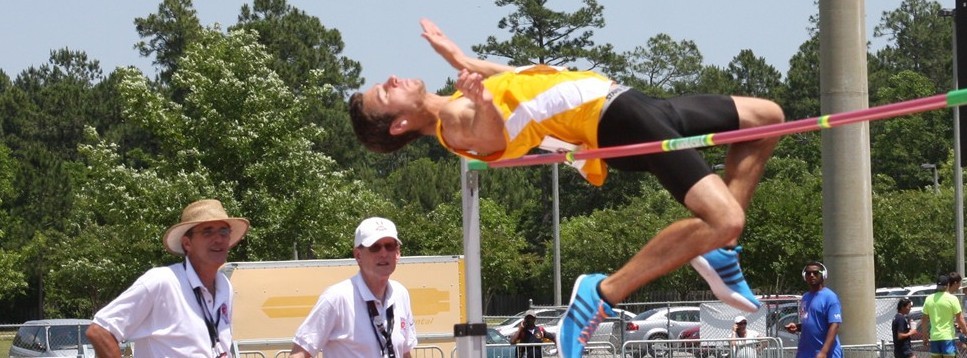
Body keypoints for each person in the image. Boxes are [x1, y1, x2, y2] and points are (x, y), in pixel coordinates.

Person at [347, 18, 784, 357]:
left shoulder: (460, 100)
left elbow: (526, 78)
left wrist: (460, 59)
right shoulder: (459, 126)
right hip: (615, 121)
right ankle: (602, 293)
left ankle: (718, 250)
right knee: (725, 218)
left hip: (626, 101)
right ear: (401, 123)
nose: (390, 80)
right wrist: (481, 102)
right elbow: (492, 138)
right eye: (384, 95)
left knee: (767, 118)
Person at [86, 199, 250, 357]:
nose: (219, 239)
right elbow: (100, 331)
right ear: (187, 243)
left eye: (224, 231)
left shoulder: (225, 287)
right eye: (208, 231)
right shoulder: (162, 282)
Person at [289, 217, 418, 358]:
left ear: (397, 253)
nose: (383, 253)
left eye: (390, 246)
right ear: (358, 255)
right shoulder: (336, 298)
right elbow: (299, 353)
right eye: (375, 247)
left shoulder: (400, 294)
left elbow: (405, 353)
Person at [784, 261, 842, 358]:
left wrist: (823, 352)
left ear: (823, 275)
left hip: (826, 353)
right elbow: (815, 323)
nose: (811, 275)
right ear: (804, 276)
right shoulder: (805, 297)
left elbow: (834, 326)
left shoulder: (830, 297)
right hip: (806, 352)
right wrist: (797, 327)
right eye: (808, 273)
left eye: (815, 273)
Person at [920, 272, 967, 358]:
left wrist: (925, 336)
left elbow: (924, 320)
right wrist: (965, 331)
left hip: (934, 338)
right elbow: (960, 319)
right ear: (948, 285)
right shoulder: (952, 299)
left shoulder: (929, 299)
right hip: (947, 337)